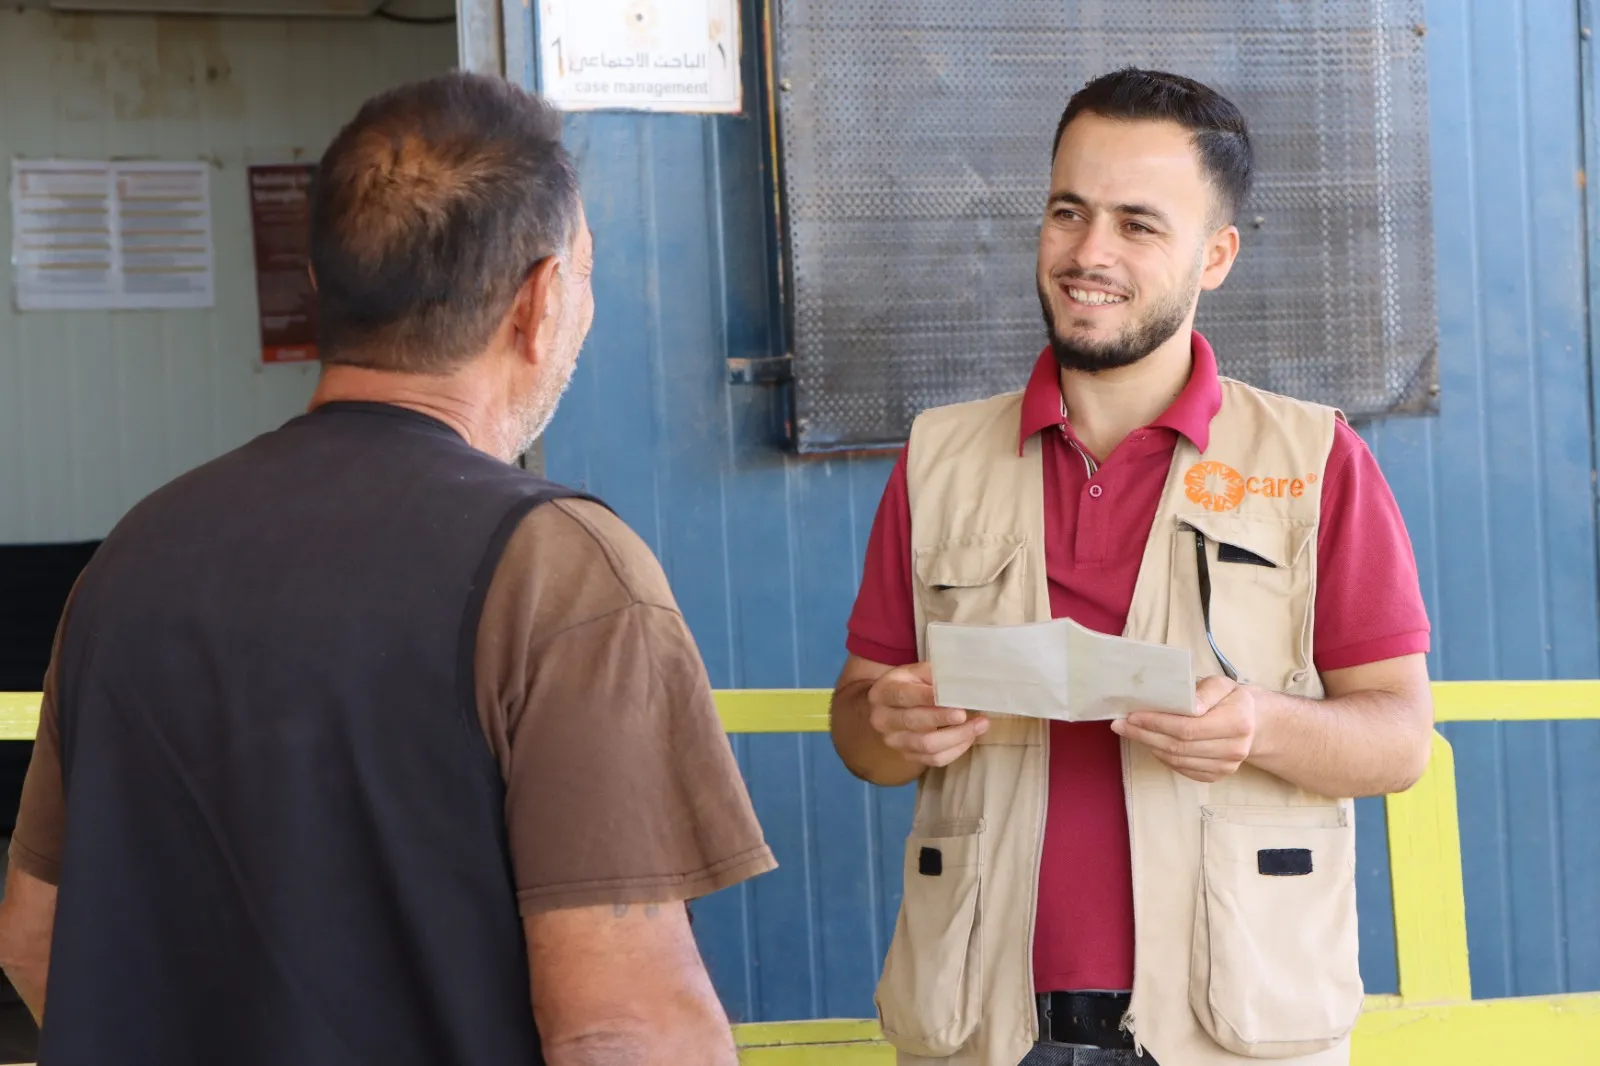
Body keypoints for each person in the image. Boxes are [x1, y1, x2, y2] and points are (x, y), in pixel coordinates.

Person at [0, 72, 774, 1066]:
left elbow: (33, 934)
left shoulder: (133, 555)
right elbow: (623, 1026)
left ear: (323, 291)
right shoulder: (560, 572)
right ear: (540, 304)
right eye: (585, 274)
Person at [831, 69, 1433, 1066]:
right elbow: (862, 731)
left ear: (1217, 255)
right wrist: (891, 720)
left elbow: (1397, 740)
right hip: (982, 1028)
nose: (1089, 252)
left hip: (1228, 1032)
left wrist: (1260, 724)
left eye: (1137, 224)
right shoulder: (936, 459)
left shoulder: (1314, 460)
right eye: (1068, 211)